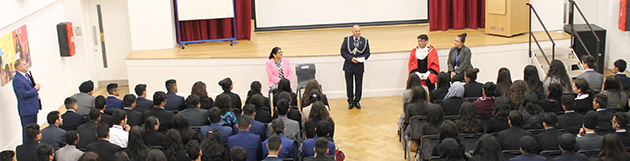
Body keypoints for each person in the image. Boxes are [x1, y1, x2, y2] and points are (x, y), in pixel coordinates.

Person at [341, 25, 370, 110]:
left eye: (359, 31)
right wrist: (351, 59)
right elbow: (343, 51)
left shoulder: (364, 41)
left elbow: (367, 53)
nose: (358, 33)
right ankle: (350, 101)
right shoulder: (347, 40)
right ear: (352, 31)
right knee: (349, 85)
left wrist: (361, 59)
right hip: (349, 66)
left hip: (359, 67)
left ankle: (357, 101)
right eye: (356, 31)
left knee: (359, 85)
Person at [12, 58, 41, 143]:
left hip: (33, 107)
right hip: (26, 110)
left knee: (34, 129)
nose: (27, 65)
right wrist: (35, 89)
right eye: (24, 64)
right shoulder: (17, 79)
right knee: (27, 131)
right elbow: (23, 94)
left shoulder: (27, 75)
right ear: (19, 68)